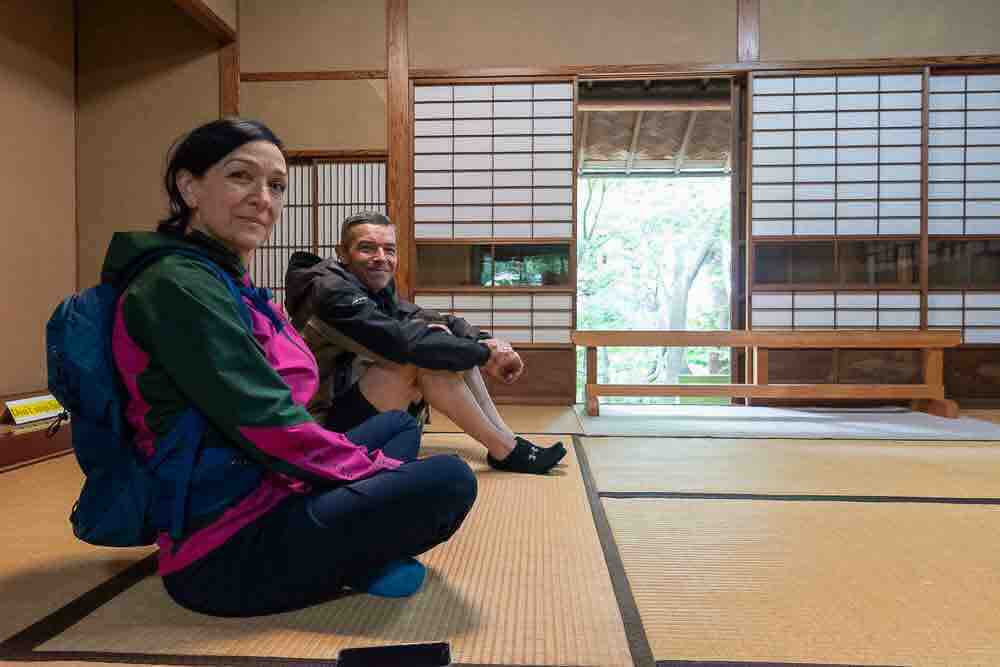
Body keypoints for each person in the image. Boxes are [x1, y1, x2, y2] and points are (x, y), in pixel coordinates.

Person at [106, 119, 476, 617]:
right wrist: (373, 474)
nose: (264, 198)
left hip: (268, 478)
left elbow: (413, 328)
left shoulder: (223, 279)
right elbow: (270, 423)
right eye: (241, 176)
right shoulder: (180, 287)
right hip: (224, 546)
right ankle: (359, 555)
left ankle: (355, 549)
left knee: (395, 428)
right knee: (449, 479)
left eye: (276, 185)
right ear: (188, 185)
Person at [285, 211, 567, 474]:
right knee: (421, 357)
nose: (381, 257)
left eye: (389, 250)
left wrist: (486, 341)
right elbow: (404, 342)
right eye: (367, 248)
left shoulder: (370, 288)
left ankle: (504, 438)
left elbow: (421, 315)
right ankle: (505, 449)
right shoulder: (332, 293)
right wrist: (483, 355)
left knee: (438, 334)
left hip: (351, 399)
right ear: (343, 254)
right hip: (320, 425)